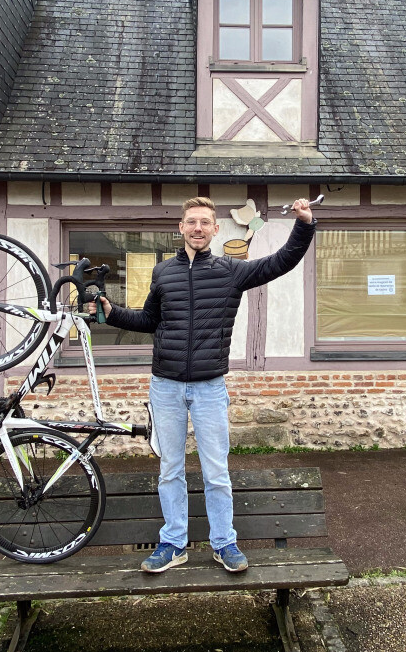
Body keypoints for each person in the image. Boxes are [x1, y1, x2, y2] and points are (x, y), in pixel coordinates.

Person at [96, 195, 316, 573]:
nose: (197, 228)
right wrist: (112, 313)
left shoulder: (232, 271)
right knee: (170, 469)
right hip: (164, 387)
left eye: (205, 222)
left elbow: (282, 261)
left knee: (216, 470)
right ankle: (173, 543)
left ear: (216, 229)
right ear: (180, 227)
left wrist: (304, 223)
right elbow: (149, 320)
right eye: (191, 222)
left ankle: (224, 543)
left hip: (210, 387)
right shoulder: (163, 272)